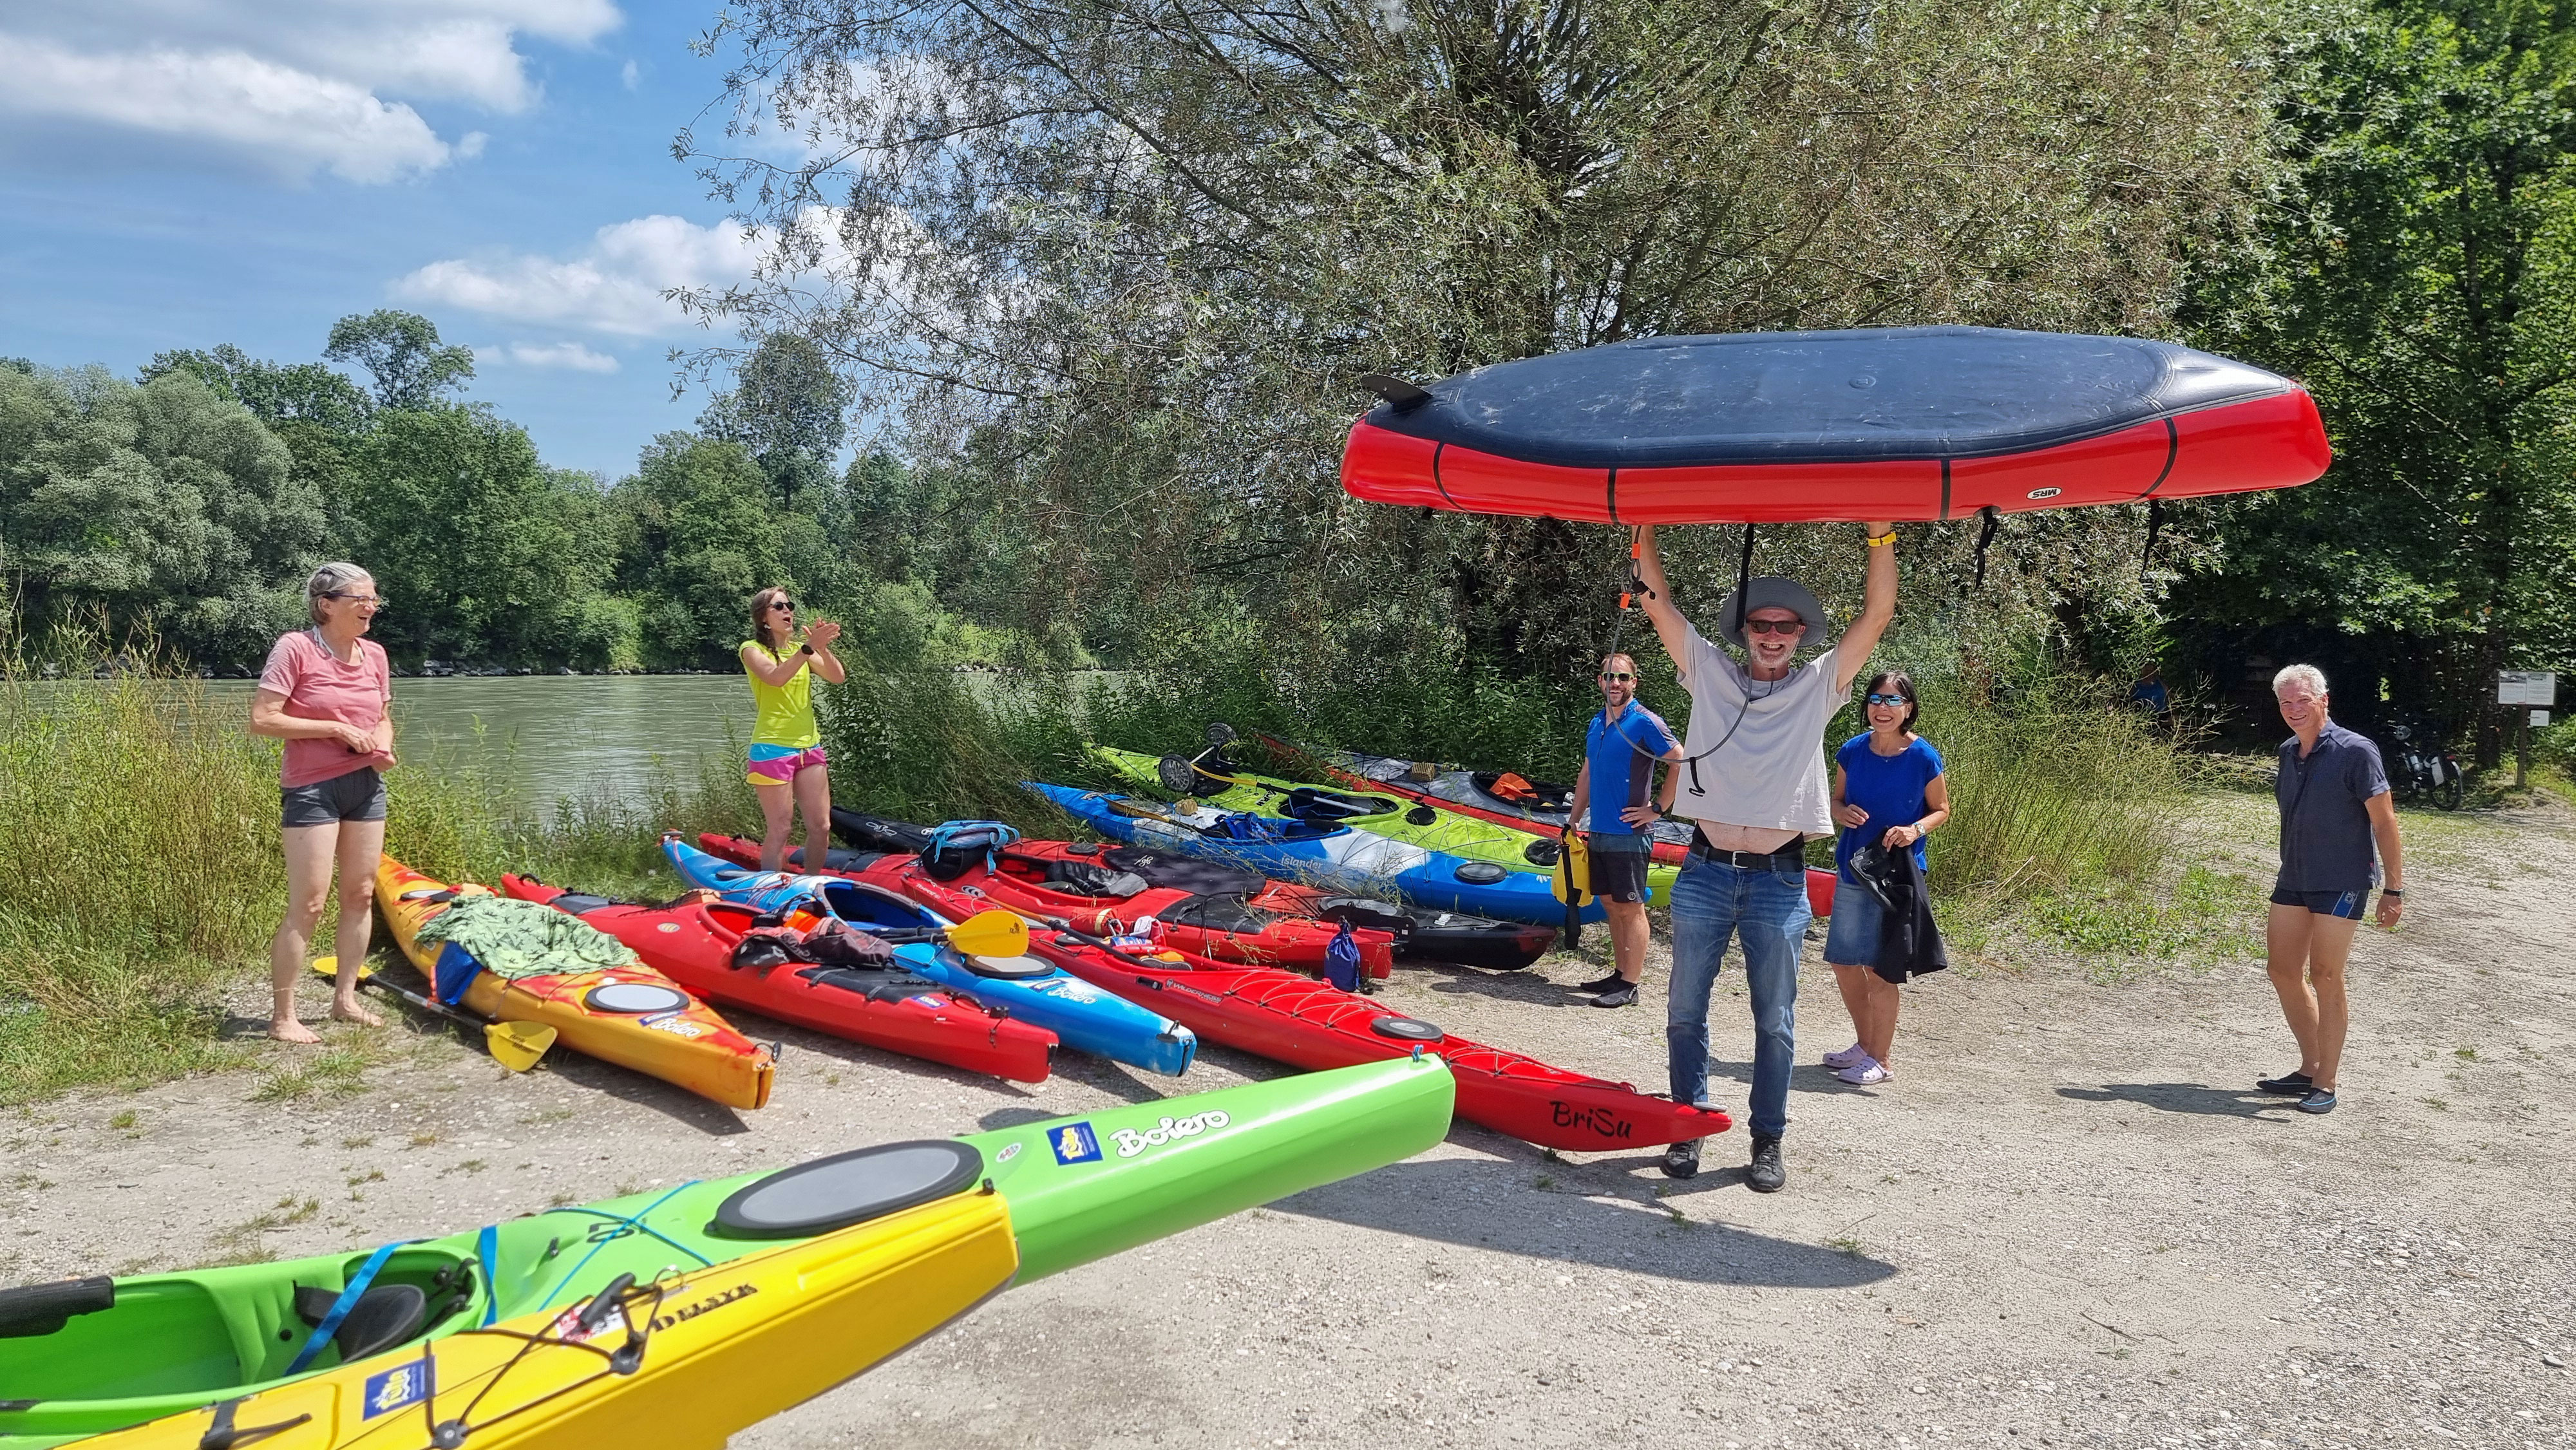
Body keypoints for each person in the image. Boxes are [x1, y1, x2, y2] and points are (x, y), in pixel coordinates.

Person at [1631, 521, 1897, 1191]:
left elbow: (1877, 614)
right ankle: (1687, 1125)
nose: (1773, 634)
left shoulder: (1819, 686)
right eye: (1761, 624)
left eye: (1785, 626)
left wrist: (1880, 534)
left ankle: (1765, 1140)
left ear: (1800, 635)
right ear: (1743, 630)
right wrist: (1641, 521)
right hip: (1703, 874)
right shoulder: (1708, 671)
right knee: (1684, 1010)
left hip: (1778, 881)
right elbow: (1656, 600)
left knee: (1774, 1022)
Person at [249, 563, 395, 1044]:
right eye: (361, 598)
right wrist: (334, 728)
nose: (371, 607)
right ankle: (283, 1018)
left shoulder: (374, 654)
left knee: (359, 894)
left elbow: (384, 716)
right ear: (326, 604)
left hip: (366, 784)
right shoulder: (295, 648)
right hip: (311, 788)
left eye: (375, 599)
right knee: (309, 903)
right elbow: (264, 719)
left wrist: (383, 744)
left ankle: (344, 1001)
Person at [2262, 663, 2404, 1115]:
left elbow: (2384, 821)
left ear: (2324, 700)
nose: (2293, 709)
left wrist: (2394, 889)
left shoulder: (2356, 751)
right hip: (2295, 877)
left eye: (2302, 699)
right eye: (2285, 702)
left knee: (2326, 975)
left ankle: (2326, 1081)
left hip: (2342, 881)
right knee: (2282, 970)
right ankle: (2309, 1065)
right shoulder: (2288, 752)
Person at [1822, 670, 1950, 1086]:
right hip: (1854, 868)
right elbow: (1836, 799)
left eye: (1894, 701)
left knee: (1880, 968)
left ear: (1908, 709)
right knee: (1844, 962)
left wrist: (1915, 830)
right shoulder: (1852, 751)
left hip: (1896, 877)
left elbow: (1942, 809)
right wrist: (1840, 812)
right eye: (1877, 700)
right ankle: (1863, 1046)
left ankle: (1882, 1059)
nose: (1883, 708)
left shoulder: (1923, 757)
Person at [1565, 652, 1683, 1009]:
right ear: (1600, 681)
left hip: (1630, 834)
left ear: (1634, 682)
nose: (1614, 683)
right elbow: (1587, 773)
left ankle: (1630, 985)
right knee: (1609, 903)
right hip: (1598, 829)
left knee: (1630, 907)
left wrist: (1657, 809)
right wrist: (1573, 818)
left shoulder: (1646, 722)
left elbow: (1680, 759)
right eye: (1608, 677)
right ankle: (1618, 974)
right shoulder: (1597, 721)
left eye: (1622, 677)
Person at [741, 587, 847, 872]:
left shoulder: (800, 650)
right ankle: (769, 892)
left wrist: (821, 648)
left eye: (789, 605)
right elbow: (776, 678)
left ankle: (811, 885)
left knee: (821, 826)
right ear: (763, 618)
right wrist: (809, 647)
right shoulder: (752, 649)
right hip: (772, 748)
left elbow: (837, 677)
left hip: (809, 747)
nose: (787, 610)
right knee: (781, 828)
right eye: (779, 607)